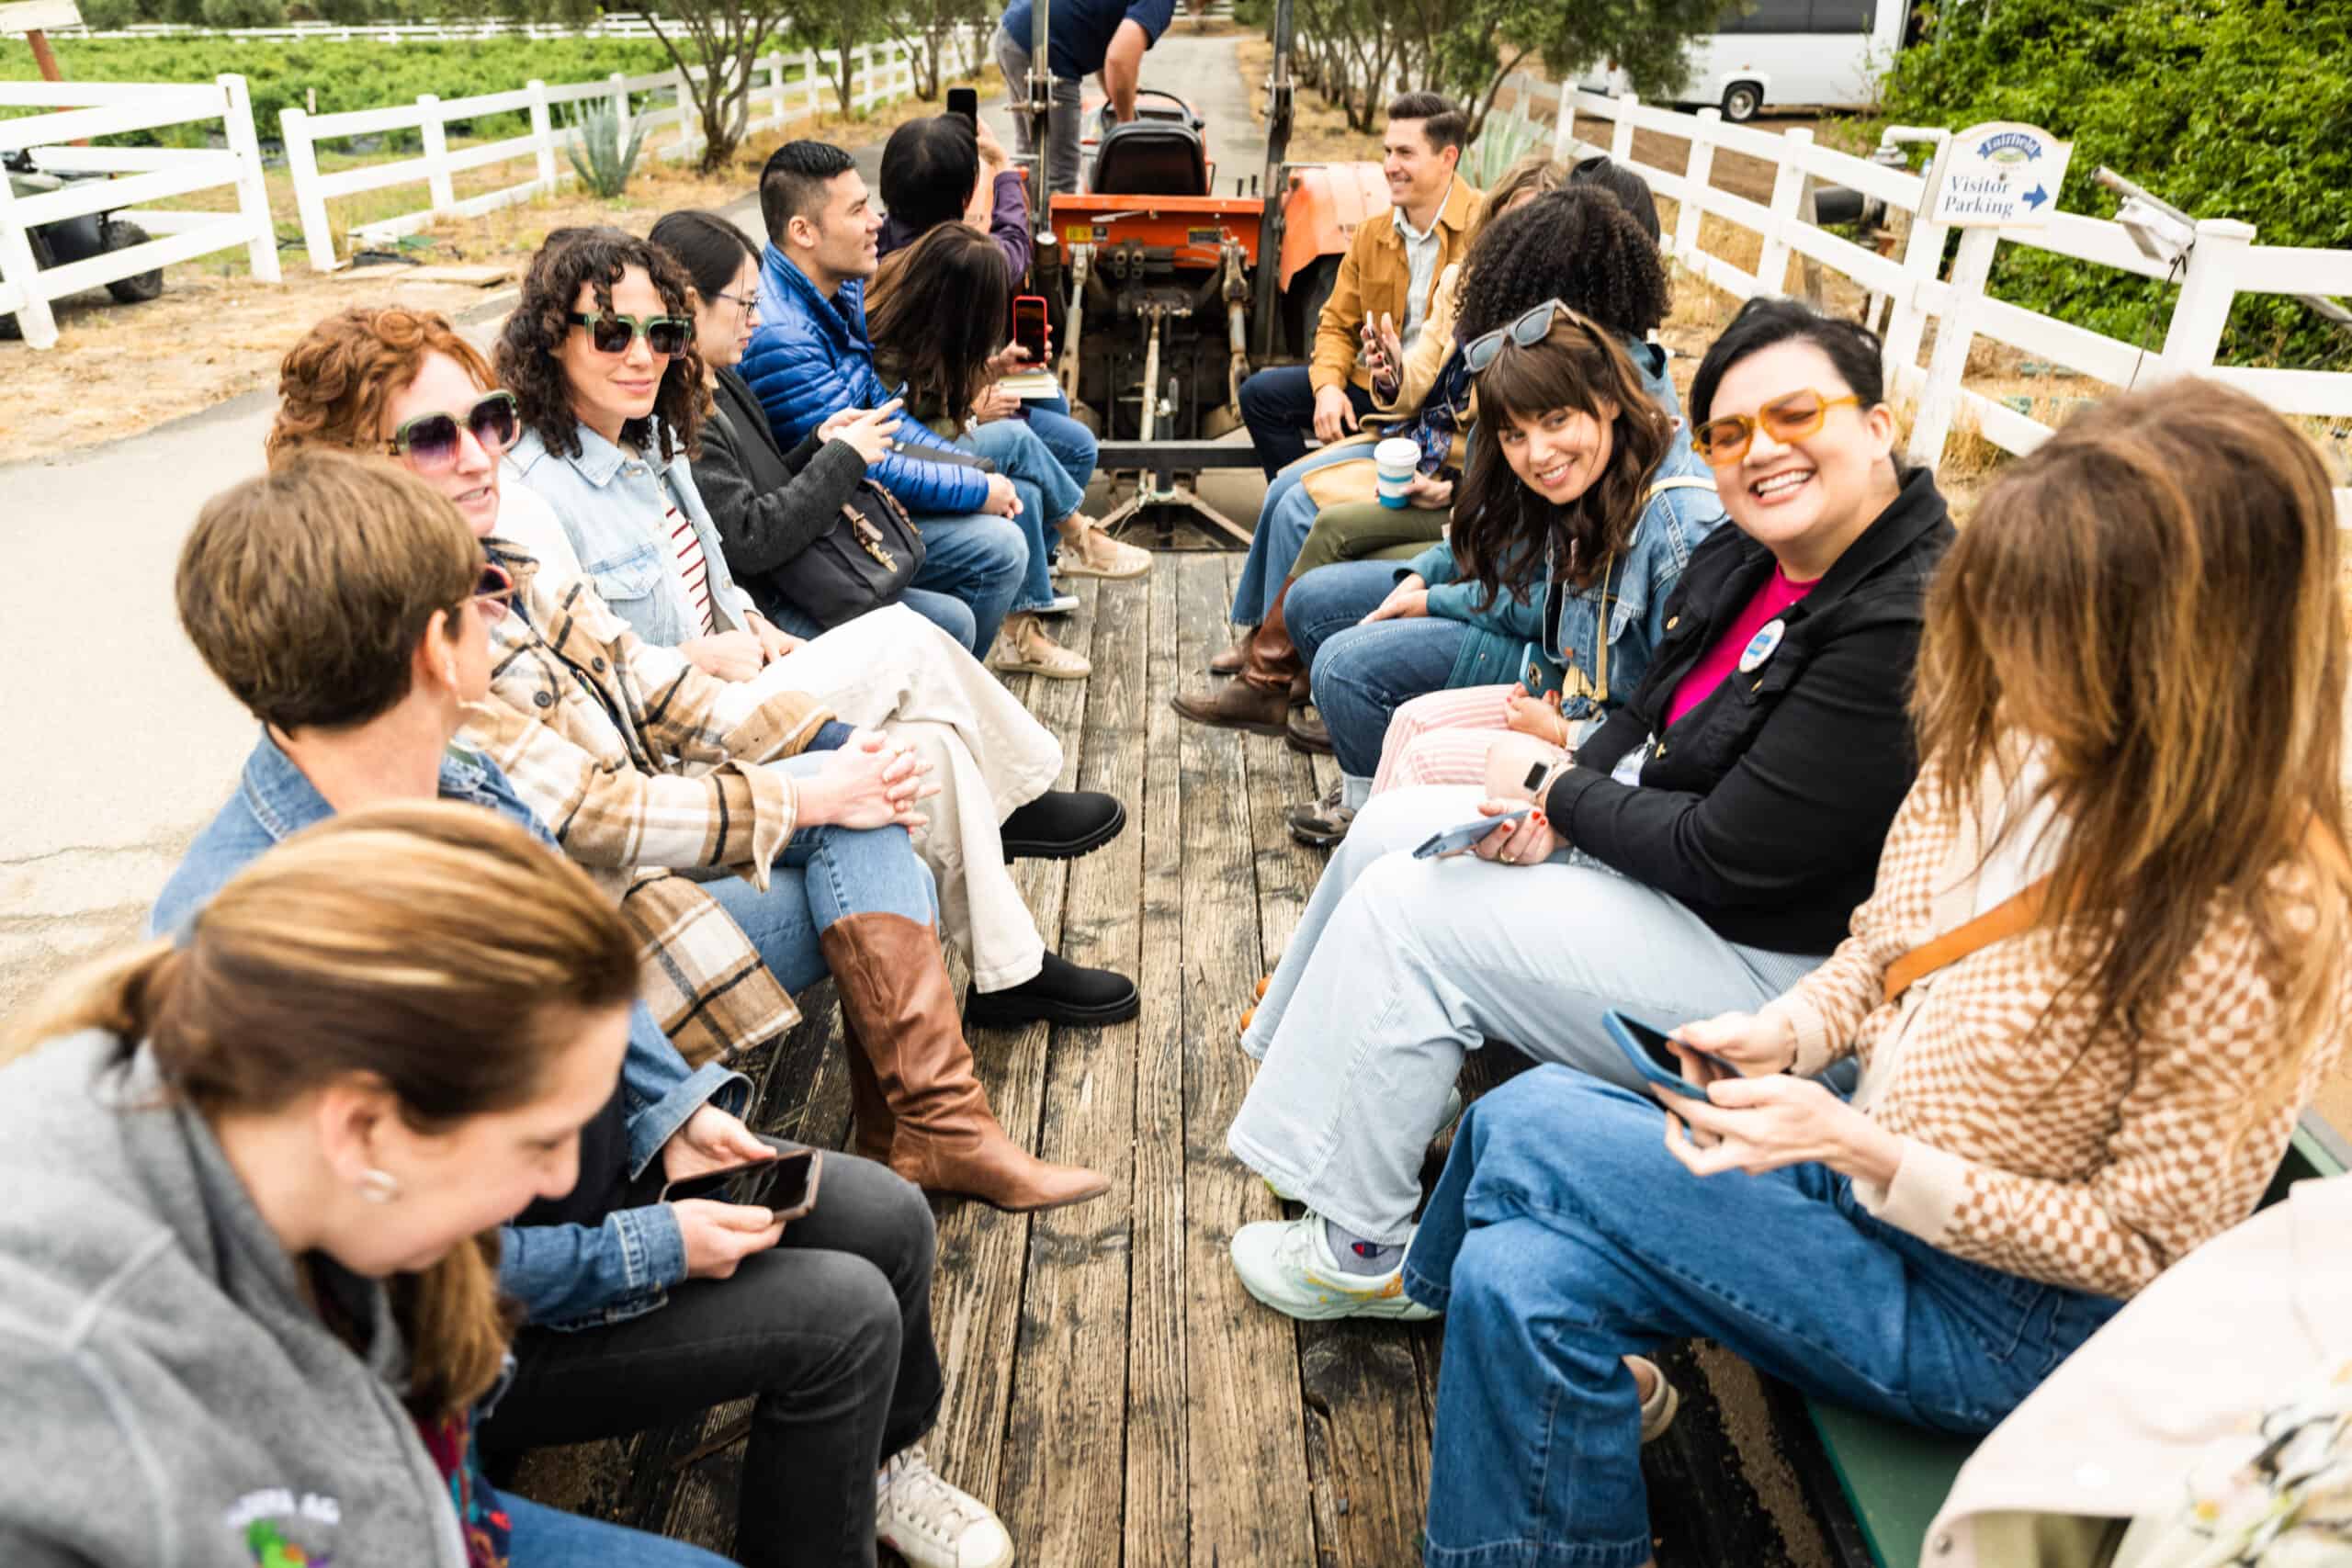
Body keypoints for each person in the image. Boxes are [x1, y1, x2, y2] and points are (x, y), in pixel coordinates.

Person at [1401, 377, 2352, 1568]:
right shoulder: (2014, 739)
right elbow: (1878, 948)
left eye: (2049, 623)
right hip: (1866, 1161)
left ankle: (1411, 1283)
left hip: (2004, 1312)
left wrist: (1862, 1148)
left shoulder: (2256, 911)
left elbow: (2144, 1247)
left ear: (2182, 653)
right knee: (1520, 1269)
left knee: (1530, 1123)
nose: (2007, 652)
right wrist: (1790, 1036)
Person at [151, 466, 1014, 1568]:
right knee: (841, 1314)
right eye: (486, 584)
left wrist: (674, 1112)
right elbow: (388, 1273)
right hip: (464, 1333)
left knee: (886, 1217)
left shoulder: (459, 777)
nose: (509, 599)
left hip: (574, 1190)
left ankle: (874, 1479)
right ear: (433, 646)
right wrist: (644, 1249)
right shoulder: (255, 940)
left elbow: (593, 984)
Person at [261, 308, 1120, 1209]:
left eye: (487, 420)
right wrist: (812, 796)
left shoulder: (499, 557)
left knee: (871, 785)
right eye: (433, 438)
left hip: (644, 861)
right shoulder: (394, 636)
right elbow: (589, 815)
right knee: (862, 812)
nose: (480, 455)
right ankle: (930, 1123)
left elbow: (656, 689)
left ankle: (931, 1123)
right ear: (354, 468)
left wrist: (832, 748)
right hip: (592, 970)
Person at [1222, 298, 1956, 1319]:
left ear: (1875, 427)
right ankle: (1313, 1128)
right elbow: (1643, 710)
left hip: (1781, 979)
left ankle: (1364, 1247)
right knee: (1399, 828)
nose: (1761, 454)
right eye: (1732, 433)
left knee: (1413, 914)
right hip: (1680, 890)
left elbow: (1723, 856)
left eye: (1796, 417)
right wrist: (1559, 799)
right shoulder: (1758, 554)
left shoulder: (1899, 617)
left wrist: (1559, 793)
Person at [0, 804, 741, 1567]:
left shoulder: (261, 1116)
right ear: (361, 1130)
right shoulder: (65, 1385)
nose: (559, 1177)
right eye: (542, 1140)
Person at [490, 238, 1140, 1018]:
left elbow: (719, 571)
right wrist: (701, 654)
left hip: (737, 684)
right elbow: (578, 685)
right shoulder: (534, 492)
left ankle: (1010, 974)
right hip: (674, 749)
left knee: (926, 745)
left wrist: (757, 625)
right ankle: (1023, 791)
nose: (642, 355)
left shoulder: (650, 438)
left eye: (662, 334)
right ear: (551, 336)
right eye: (611, 333)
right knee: (903, 635)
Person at [1272, 186, 1694, 843]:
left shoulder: (1636, 469)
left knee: (1346, 662)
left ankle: (1368, 813)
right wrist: (1427, 574)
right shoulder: (1550, 398)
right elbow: (1502, 529)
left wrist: (1440, 598)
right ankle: (1367, 804)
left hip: (1558, 683)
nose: (1536, 446)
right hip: (1537, 637)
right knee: (1316, 603)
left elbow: (1669, 718)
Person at [1170, 157, 1566, 742]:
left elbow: (1505, 457)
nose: (1391, 165)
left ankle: (1276, 674)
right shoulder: (1459, 280)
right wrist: (1388, 372)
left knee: (1323, 521)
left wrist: (1454, 491)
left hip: (1455, 476)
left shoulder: (1548, 337)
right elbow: (1414, 380)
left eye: (1533, 234)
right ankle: (1275, 653)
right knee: (1285, 485)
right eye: (1509, 228)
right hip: (1417, 444)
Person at [741, 142, 1143, 655]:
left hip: (858, 495)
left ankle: (1057, 563)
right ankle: (964, 669)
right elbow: (858, 464)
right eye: (857, 210)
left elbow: (884, 420)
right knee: (1001, 543)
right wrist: (976, 487)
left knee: (1033, 461)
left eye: (872, 206)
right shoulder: (785, 337)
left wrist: (973, 472)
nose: (875, 225)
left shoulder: (836, 291)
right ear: (803, 231)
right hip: (824, 532)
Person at [648, 209, 963, 645]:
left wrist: (818, 443)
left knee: (955, 612)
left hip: (799, 571)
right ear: (689, 304)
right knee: (952, 620)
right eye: (745, 304)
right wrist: (843, 457)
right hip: (773, 602)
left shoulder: (717, 376)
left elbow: (763, 480)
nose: (756, 319)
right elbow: (750, 538)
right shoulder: (681, 413)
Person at [869, 221, 1150, 678]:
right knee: (1018, 439)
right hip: (896, 476)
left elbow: (934, 400)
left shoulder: (918, 314)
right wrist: (975, 413)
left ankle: (1023, 634)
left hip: (928, 449)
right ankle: (1080, 535)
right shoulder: (891, 345)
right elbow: (905, 431)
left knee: (1027, 491)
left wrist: (994, 368)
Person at [1236, 92, 1480, 480]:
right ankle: (1315, 495)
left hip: (1448, 403)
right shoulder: (1371, 234)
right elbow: (1334, 323)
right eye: (1387, 152)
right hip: (1381, 394)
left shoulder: (1485, 227)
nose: (1389, 167)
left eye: (1405, 153)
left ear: (1447, 158)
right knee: (1261, 396)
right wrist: (1328, 388)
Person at [875, 113, 1100, 527]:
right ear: (964, 198)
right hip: (935, 415)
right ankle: (1068, 532)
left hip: (929, 401)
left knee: (1053, 400)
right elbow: (1015, 242)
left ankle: (1049, 545)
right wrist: (1003, 166)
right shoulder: (960, 263)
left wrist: (993, 368)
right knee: (1079, 446)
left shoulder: (873, 244)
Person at [995, 0, 1175, 195]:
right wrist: (1127, 127)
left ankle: (1018, 222)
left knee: (1030, 161)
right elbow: (1119, 60)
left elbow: (1099, 35)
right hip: (1049, 47)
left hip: (1014, 31)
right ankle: (1048, 223)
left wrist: (1117, 96)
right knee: (1060, 175)